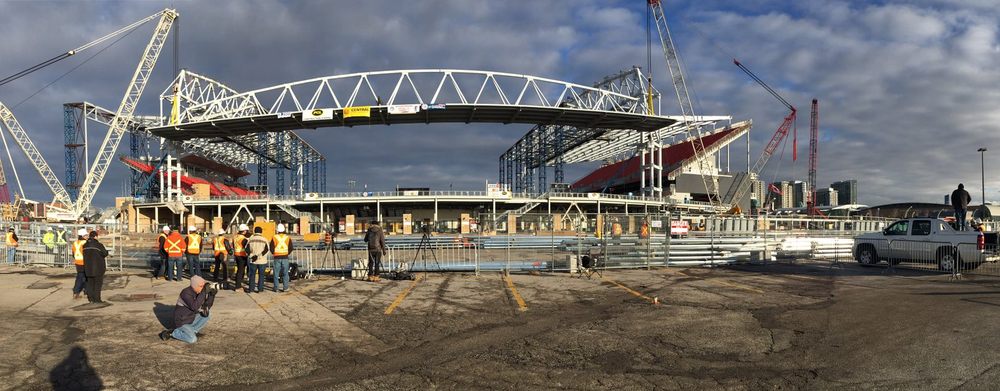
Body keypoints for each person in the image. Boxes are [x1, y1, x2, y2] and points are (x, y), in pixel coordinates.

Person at [159, 275, 217, 344]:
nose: (203, 288)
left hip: (191, 319)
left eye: (204, 286)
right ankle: (173, 332)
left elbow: (206, 307)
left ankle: (193, 331)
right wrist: (204, 292)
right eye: (201, 286)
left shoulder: (199, 292)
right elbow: (194, 307)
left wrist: (212, 295)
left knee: (208, 313)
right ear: (195, 286)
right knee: (192, 339)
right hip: (182, 322)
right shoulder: (185, 293)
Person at [82, 230, 108, 304]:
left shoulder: (84, 245)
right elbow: (105, 253)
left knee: (90, 284)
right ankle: (97, 299)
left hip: (87, 268)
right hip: (98, 268)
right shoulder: (99, 245)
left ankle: (91, 299)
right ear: (96, 236)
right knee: (97, 284)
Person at [246, 226, 270, 293]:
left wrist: (252, 256)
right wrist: (258, 256)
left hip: (253, 261)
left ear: (254, 231)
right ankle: (260, 289)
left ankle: (251, 289)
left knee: (252, 275)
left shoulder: (250, 239)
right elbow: (266, 250)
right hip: (262, 261)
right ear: (261, 232)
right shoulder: (264, 239)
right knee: (261, 275)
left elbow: (246, 249)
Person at [270, 224, 293, 292]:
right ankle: (285, 287)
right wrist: (286, 253)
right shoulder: (287, 237)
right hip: (285, 257)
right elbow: (291, 248)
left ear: (277, 230)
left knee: (276, 273)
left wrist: (274, 253)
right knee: (285, 273)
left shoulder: (274, 237)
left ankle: (276, 288)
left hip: (277, 257)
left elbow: (271, 247)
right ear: (284, 230)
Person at [232, 224, 250, 291]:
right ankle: (238, 286)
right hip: (242, 256)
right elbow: (246, 248)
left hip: (236, 255)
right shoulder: (243, 239)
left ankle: (239, 284)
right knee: (241, 271)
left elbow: (234, 246)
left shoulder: (235, 237)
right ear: (244, 231)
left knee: (239, 270)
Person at [71, 229, 87, 299]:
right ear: (83, 236)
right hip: (84, 262)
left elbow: (73, 253)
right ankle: (79, 291)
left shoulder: (75, 243)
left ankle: (78, 291)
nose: (87, 236)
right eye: (86, 235)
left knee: (80, 277)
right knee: (83, 278)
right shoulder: (85, 243)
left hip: (78, 262)